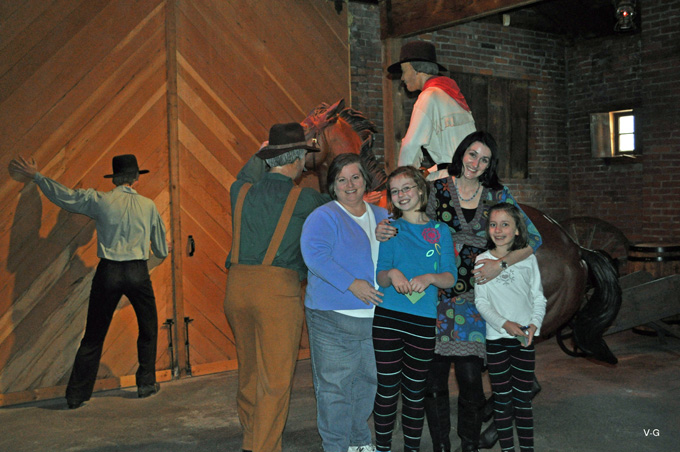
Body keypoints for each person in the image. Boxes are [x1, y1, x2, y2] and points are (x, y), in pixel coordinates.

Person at [8, 154, 169, 409]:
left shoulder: (100, 200)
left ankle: (76, 395)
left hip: (109, 272)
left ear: (115, 179)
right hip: (137, 272)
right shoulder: (148, 206)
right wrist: (159, 249)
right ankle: (146, 384)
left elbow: (65, 197)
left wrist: (36, 177)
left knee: (94, 334)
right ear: (137, 178)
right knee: (148, 328)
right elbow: (160, 249)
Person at [223, 122, 327, 452]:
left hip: (236, 289)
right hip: (276, 294)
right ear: (297, 160)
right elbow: (338, 209)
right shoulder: (306, 199)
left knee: (250, 374)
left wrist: (264, 151)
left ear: (268, 158)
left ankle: (253, 438)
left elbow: (248, 171)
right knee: (276, 380)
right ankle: (261, 448)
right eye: (303, 158)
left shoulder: (239, 191)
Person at [300, 153, 388, 452]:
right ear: (332, 185)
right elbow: (315, 257)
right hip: (332, 317)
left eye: (355, 177)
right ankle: (336, 446)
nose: (350, 185)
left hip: (374, 319)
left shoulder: (382, 216)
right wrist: (352, 284)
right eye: (342, 179)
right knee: (335, 388)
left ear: (365, 180)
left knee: (368, 383)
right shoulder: (323, 217)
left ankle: (358, 441)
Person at [373, 166, 457, 452]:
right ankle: (382, 448)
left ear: (421, 189)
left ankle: (412, 448)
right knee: (387, 390)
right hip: (388, 319)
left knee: (414, 392)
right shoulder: (390, 229)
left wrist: (430, 278)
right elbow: (381, 276)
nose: (401, 195)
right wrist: (392, 273)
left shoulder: (440, 231)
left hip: (422, 321)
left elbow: (450, 277)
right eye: (395, 191)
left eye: (406, 187)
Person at [474, 202, 546, 452]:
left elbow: (538, 297)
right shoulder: (482, 260)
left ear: (517, 230)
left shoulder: (528, 259)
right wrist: (505, 324)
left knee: (522, 402)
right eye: (493, 224)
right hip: (496, 341)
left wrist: (534, 325)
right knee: (502, 402)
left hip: (523, 340)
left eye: (505, 224)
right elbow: (481, 302)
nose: (498, 230)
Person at [387, 40, 476, 181]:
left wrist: (401, 182)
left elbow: (410, 146)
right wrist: (429, 171)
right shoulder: (451, 96)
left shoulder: (429, 96)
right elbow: (452, 158)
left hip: (451, 181)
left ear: (416, 70)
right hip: (469, 178)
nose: (402, 78)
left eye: (404, 71)